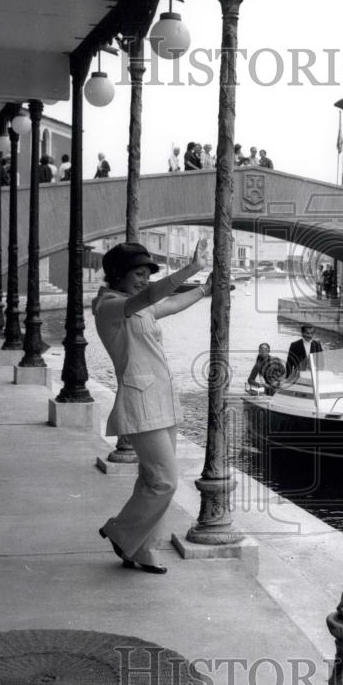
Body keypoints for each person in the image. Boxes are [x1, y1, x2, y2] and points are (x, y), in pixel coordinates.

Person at [93, 238, 212, 573]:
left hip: (161, 399)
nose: (144, 279)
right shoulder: (109, 306)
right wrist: (191, 270)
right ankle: (119, 530)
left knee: (150, 479)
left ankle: (142, 549)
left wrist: (205, 291)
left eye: (148, 273)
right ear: (117, 274)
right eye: (138, 273)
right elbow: (149, 297)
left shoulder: (135, 303)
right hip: (140, 402)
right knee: (165, 481)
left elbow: (169, 304)